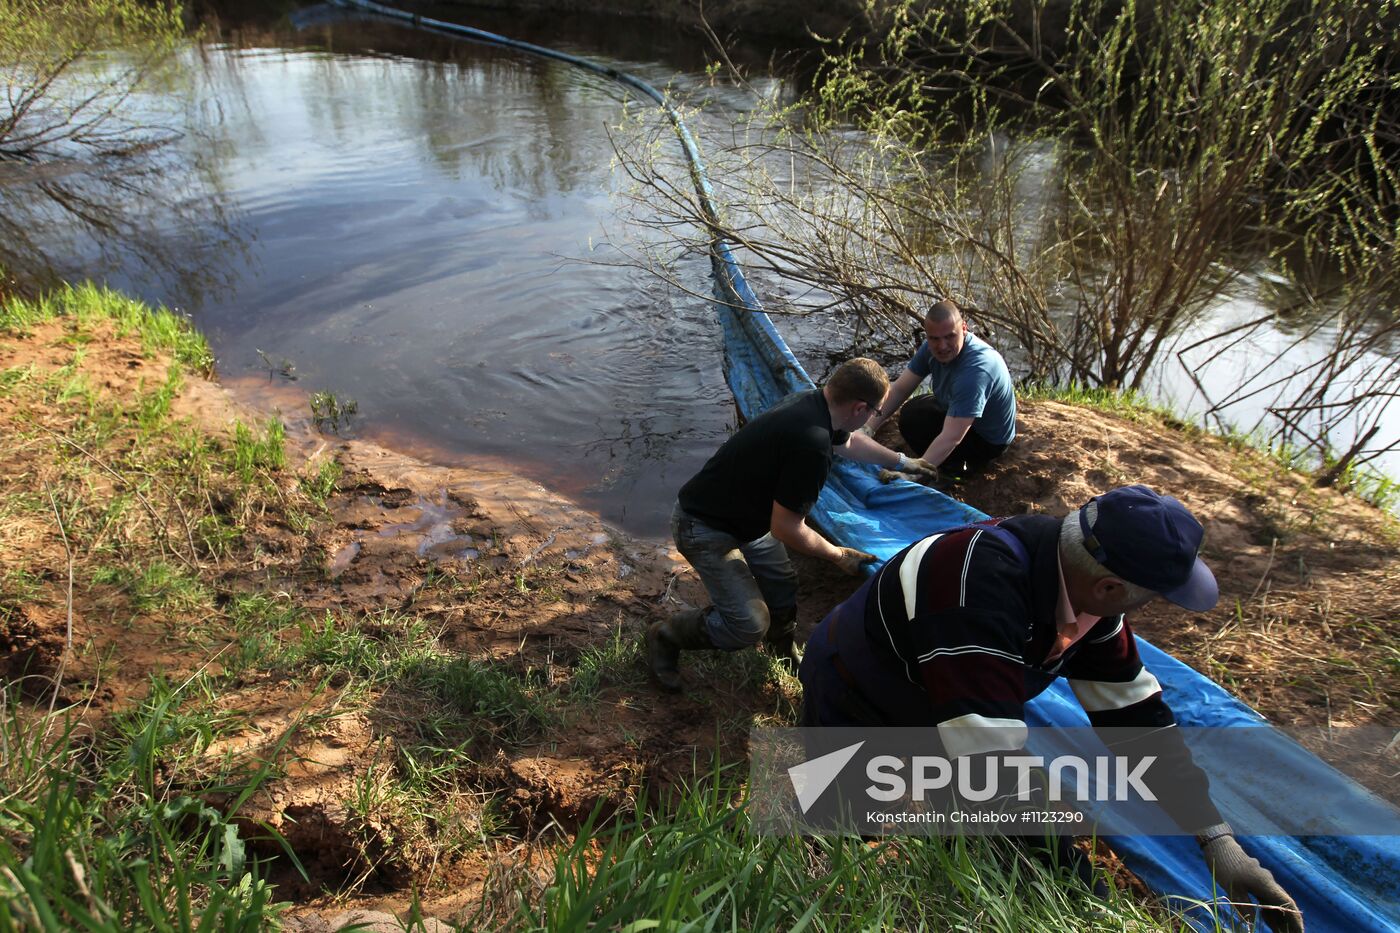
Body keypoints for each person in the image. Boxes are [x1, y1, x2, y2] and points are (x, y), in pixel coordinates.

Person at [797, 484, 1303, 933]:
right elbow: (989, 773)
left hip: (948, 698)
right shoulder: (972, 585)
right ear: (1110, 588)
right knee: (836, 812)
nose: (1139, 613)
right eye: (1149, 600)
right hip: (860, 684)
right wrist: (1083, 888)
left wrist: (1215, 837)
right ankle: (793, 877)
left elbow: (1138, 722)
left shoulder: (1090, 598)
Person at [646, 358, 938, 693]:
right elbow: (787, 528)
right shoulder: (810, 444)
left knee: (782, 582)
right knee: (748, 624)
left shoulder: (816, 404)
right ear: (859, 407)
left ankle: (781, 649)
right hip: (703, 525)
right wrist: (837, 554)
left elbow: (850, 442)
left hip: (745, 518)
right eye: (874, 412)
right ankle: (665, 635)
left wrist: (904, 461)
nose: (872, 418)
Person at [865, 299, 1016, 478]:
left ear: (964, 329)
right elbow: (899, 389)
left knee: (920, 427)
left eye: (950, 336)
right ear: (927, 335)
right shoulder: (931, 348)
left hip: (986, 439)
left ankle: (954, 468)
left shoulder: (976, 371)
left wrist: (913, 473)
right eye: (934, 338)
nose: (942, 346)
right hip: (959, 411)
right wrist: (867, 428)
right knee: (912, 413)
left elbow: (952, 436)